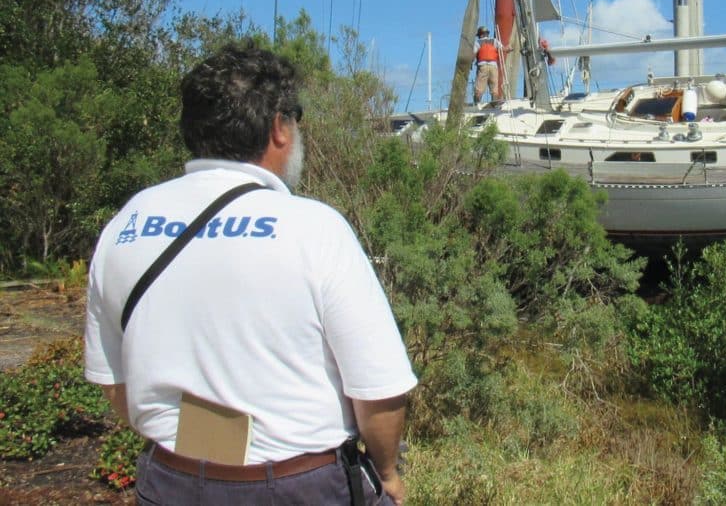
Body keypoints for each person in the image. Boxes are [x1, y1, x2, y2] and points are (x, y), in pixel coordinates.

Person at [84, 41, 417, 505]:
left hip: (167, 482)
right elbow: (379, 394)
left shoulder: (127, 223)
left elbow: (116, 384)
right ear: (280, 128)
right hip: (299, 488)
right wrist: (387, 473)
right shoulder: (315, 228)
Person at [473, 25, 503, 104]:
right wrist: (509, 48)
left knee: (479, 87)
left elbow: (473, 53)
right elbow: (503, 49)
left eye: (479, 35)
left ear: (481, 34)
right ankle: (495, 103)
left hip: (483, 66)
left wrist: (471, 63)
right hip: (493, 66)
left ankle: (476, 104)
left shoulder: (477, 42)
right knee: (494, 87)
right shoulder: (494, 41)